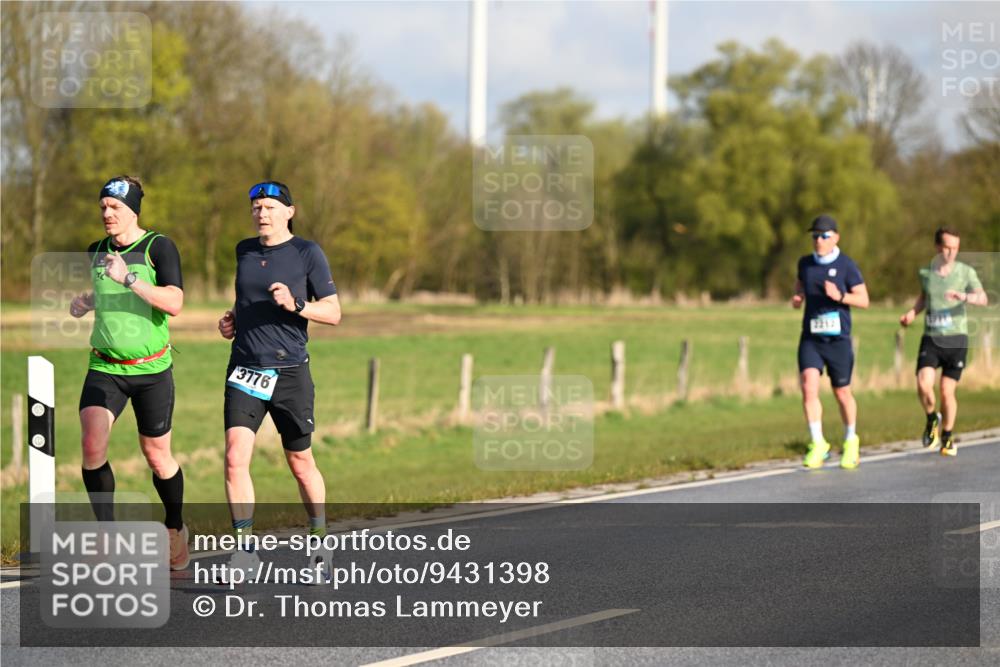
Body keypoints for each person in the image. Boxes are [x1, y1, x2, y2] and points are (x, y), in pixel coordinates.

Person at [217, 181, 341, 583]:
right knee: (235, 458)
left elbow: (334, 312)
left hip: (289, 372)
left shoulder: (307, 253)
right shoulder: (244, 250)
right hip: (245, 369)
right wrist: (233, 320)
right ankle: (244, 554)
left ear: (290, 212)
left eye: (270, 207)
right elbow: (245, 299)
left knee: (301, 463)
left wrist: (296, 304)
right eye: (256, 207)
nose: (262, 213)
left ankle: (320, 544)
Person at [69, 175, 189, 569]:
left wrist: (129, 278)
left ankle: (175, 528)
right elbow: (108, 294)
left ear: (133, 210)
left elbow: (174, 303)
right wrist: (86, 302)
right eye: (103, 206)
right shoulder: (95, 251)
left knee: (157, 456)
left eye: (115, 207)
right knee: (92, 445)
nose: (107, 213)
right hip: (105, 366)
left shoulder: (158, 247)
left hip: (152, 369)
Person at [899, 227, 987, 457]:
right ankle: (931, 419)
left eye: (955, 248)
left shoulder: (965, 272)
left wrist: (963, 296)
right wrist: (912, 313)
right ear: (938, 247)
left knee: (947, 391)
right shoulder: (926, 272)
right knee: (923, 385)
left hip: (956, 339)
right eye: (947, 247)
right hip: (931, 338)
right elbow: (924, 298)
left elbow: (983, 298)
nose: (951, 252)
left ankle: (947, 436)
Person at [792, 215, 870, 469]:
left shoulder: (846, 265)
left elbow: (864, 300)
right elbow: (800, 285)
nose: (819, 240)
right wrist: (798, 297)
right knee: (808, 386)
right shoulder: (805, 264)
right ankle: (818, 443)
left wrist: (840, 296)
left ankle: (851, 440)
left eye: (824, 236)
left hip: (838, 340)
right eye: (815, 236)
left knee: (842, 392)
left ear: (836, 237)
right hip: (811, 338)